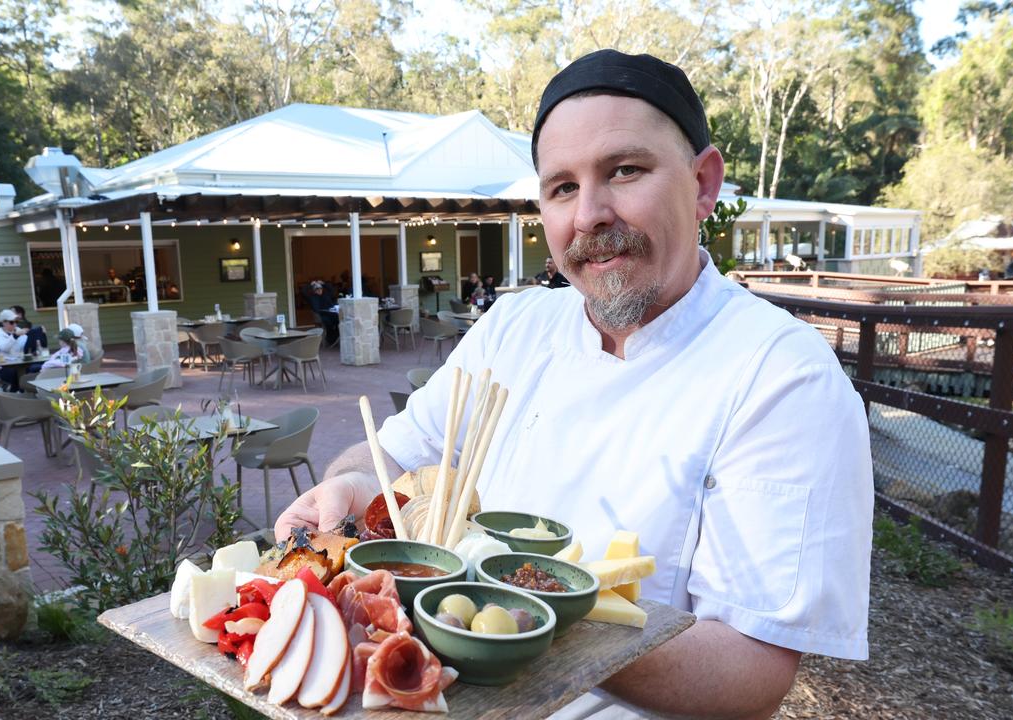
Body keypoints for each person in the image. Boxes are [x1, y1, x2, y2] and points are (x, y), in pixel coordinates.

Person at [276, 49, 871, 719]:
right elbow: (392, 451)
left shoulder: (781, 375)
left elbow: (751, 669)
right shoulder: (516, 325)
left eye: (624, 170)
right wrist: (349, 486)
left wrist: (524, 621)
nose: (589, 214)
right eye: (562, 187)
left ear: (704, 184)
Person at [0, 308, 29, 391]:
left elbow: (27, 344)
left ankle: (23, 392)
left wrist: (33, 336)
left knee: (33, 370)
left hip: (20, 364)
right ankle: (15, 392)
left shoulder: (18, 330)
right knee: (14, 373)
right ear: (3, 323)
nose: (15, 325)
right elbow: (4, 348)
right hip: (5, 367)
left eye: (16, 322)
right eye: (12, 322)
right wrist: (15, 336)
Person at [308, 280, 339, 345]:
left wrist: (324, 284)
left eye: (320, 288)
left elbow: (332, 290)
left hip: (331, 313)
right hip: (322, 315)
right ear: (314, 290)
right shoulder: (313, 297)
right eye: (317, 289)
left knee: (338, 321)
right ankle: (332, 339)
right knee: (329, 324)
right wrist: (310, 285)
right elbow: (304, 291)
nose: (319, 290)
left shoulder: (326, 294)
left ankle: (337, 337)